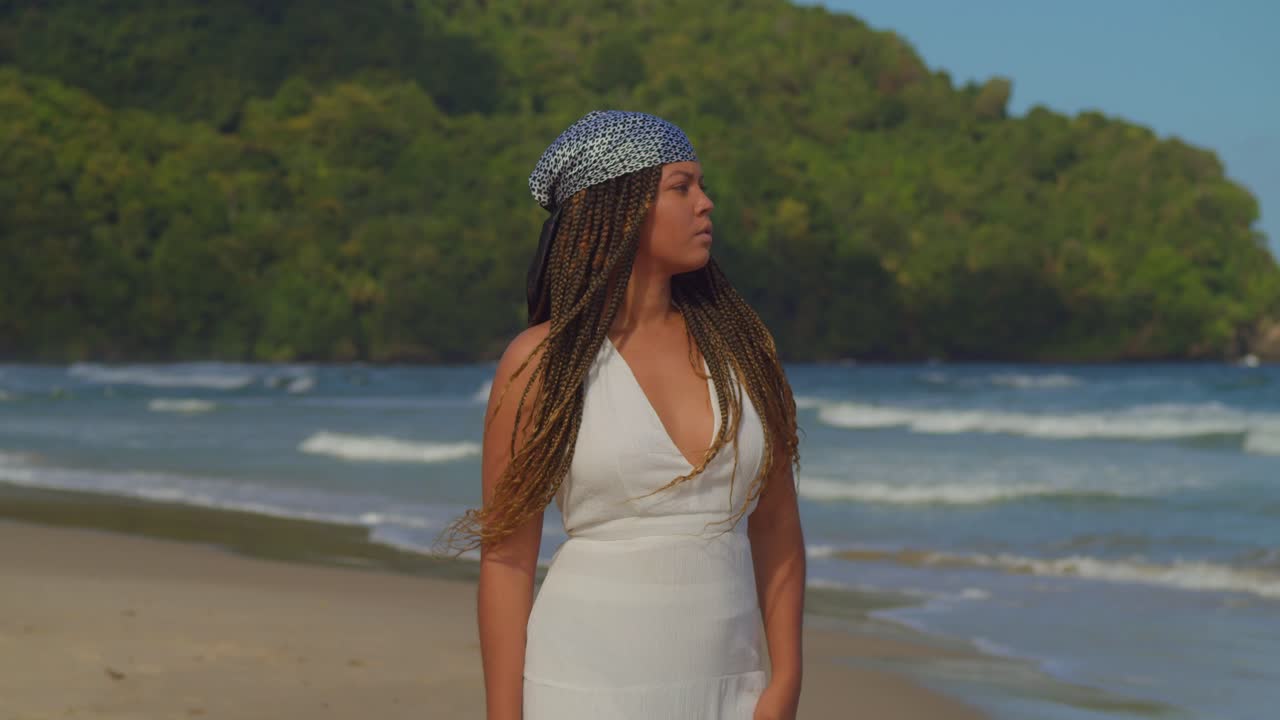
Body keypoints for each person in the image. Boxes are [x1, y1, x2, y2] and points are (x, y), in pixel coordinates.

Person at [438, 109, 806, 720]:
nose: (706, 203)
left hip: (731, 690)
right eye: (681, 187)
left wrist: (786, 680)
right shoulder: (543, 362)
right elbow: (507, 560)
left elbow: (776, 528)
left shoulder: (742, 350)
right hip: (582, 687)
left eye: (702, 185)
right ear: (615, 209)